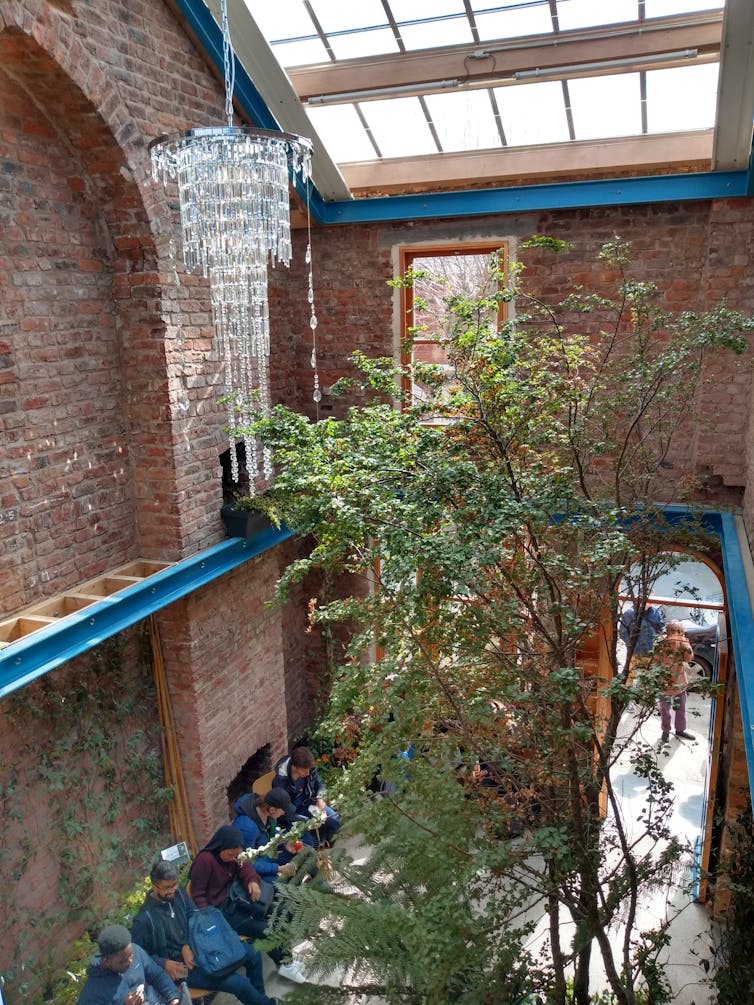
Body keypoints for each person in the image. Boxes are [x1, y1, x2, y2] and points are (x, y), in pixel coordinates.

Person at [131, 860, 277, 1005]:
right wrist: (163, 963)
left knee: (253, 954)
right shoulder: (144, 920)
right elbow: (139, 956)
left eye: (174, 884)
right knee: (238, 983)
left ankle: (259, 1000)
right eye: (167, 887)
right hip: (181, 967)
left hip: (200, 944)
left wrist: (186, 944)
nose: (172, 890)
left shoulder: (179, 893)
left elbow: (193, 914)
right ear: (154, 886)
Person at [188, 825, 307, 985]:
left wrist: (252, 881)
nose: (233, 858)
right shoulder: (205, 861)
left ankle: (288, 960)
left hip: (239, 899)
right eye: (230, 854)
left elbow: (245, 867)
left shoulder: (234, 856)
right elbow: (198, 895)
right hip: (223, 913)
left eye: (236, 854)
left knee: (278, 915)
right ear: (221, 847)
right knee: (265, 929)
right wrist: (211, 921)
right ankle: (285, 965)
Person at [77, 924, 180, 1005]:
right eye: (123, 961)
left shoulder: (135, 951)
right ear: (106, 961)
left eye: (131, 956)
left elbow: (157, 975)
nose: (130, 961)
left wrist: (173, 998)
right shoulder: (92, 995)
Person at [272, 746, 340, 848]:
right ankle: (317, 840)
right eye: (304, 771)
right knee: (308, 844)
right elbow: (287, 814)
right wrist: (309, 822)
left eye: (309, 770)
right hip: (293, 814)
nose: (308, 773)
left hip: (309, 803)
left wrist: (320, 798)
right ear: (294, 767)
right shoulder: (280, 783)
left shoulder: (307, 767)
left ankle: (325, 839)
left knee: (336, 821)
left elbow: (319, 783)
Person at [232, 788, 300, 879]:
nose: (284, 813)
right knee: (280, 884)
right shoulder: (248, 829)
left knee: (299, 854)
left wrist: (285, 841)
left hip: (266, 853)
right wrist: (277, 868)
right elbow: (246, 863)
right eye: (282, 810)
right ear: (272, 809)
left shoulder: (268, 814)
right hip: (254, 866)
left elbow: (270, 833)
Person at [654, 619, 695, 743]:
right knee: (664, 709)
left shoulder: (682, 642)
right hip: (664, 681)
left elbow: (688, 659)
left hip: (679, 681)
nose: (677, 634)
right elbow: (655, 660)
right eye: (675, 631)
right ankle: (665, 731)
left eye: (679, 631)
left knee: (681, 707)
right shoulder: (660, 642)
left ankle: (680, 730)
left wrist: (686, 644)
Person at [619, 603, 665, 681]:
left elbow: (661, 628)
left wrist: (657, 641)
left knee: (650, 678)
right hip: (635, 652)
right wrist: (634, 645)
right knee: (631, 677)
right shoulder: (629, 613)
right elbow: (623, 633)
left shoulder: (655, 612)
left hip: (651, 651)